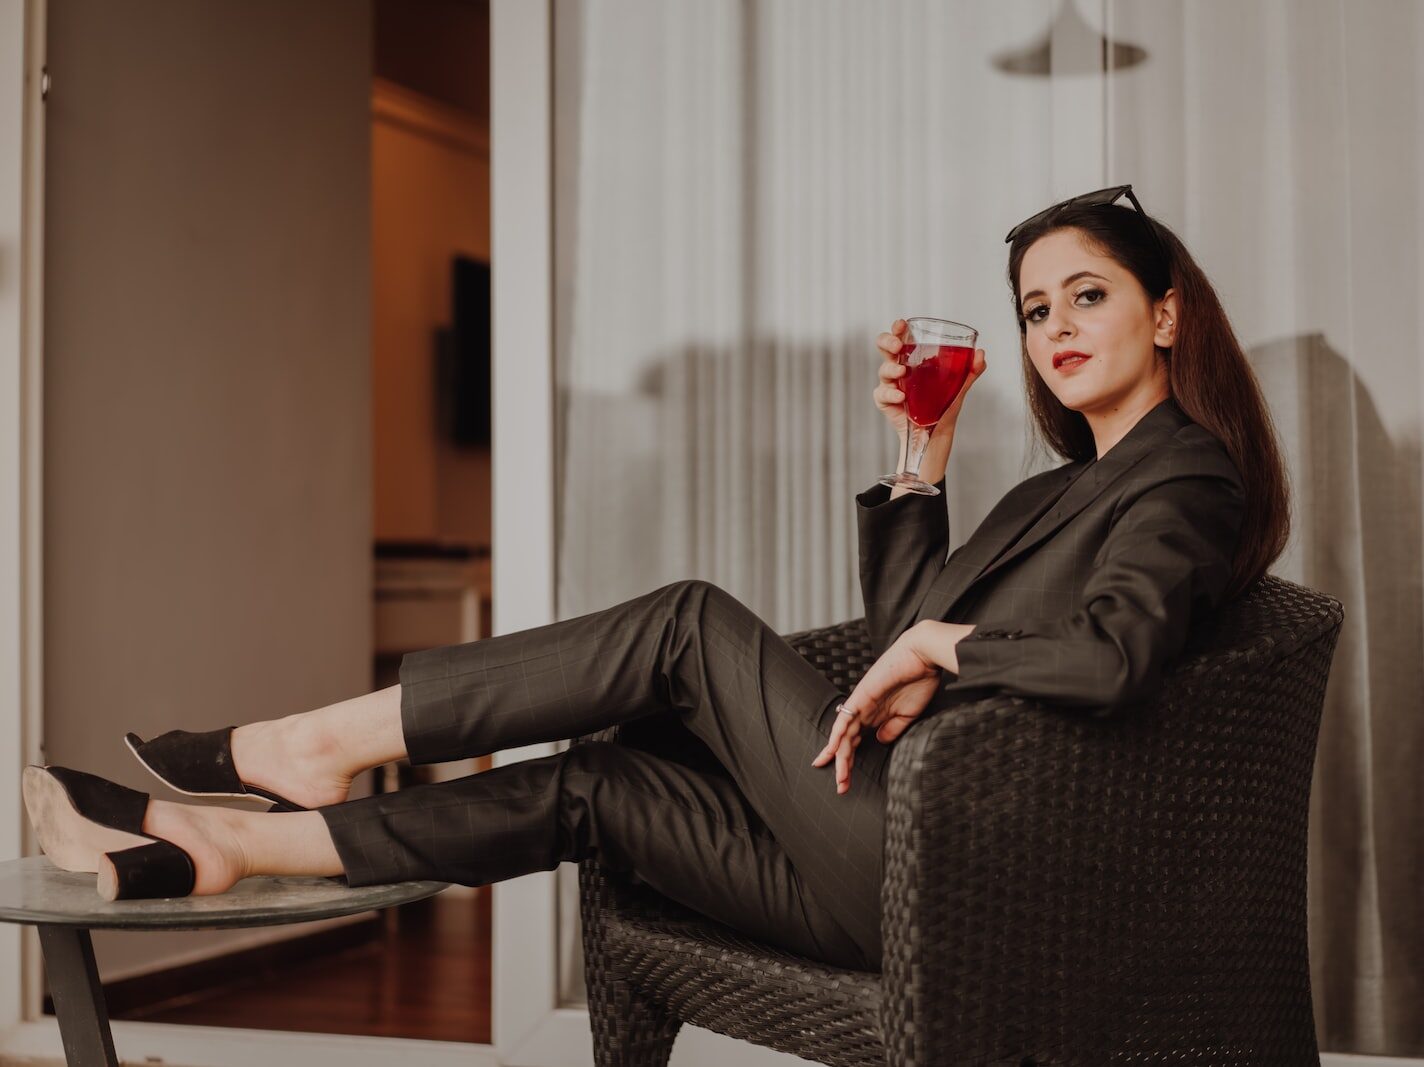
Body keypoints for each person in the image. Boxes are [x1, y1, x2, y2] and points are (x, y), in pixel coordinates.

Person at [21, 185, 1289, 977]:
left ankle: (306, 742)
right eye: (1032, 309)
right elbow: (897, 626)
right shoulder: (1054, 491)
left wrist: (941, 650)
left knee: (684, 621)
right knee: (594, 781)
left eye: (1085, 295)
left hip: (957, 867)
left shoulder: (1183, 477)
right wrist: (921, 456)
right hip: (883, 858)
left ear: (1164, 313)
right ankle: (233, 841)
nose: (1054, 326)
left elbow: (1110, 656)